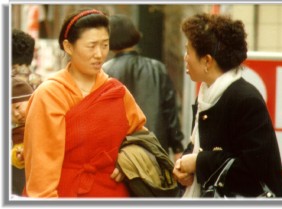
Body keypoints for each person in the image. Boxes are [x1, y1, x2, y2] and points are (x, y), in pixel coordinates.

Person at [23, 9, 147, 198]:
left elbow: (141, 138)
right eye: (91, 46)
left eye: (105, 45)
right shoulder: (50, 95)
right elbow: (41, 168)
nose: (99, 54)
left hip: (115, 194)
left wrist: (128, 160)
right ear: (68, 47)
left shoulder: (116, 91)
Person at [172, 13, 282, 198]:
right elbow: (198, 145)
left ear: (207, 61)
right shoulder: (207, 94)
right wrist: (183, 169)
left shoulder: (245, 99)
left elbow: (253, 171)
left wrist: (198, 163)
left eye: (189, 51)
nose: (185, 57)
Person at [103, 14, 184, 161]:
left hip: (120, 155)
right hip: (155, 150)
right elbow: (170, 112)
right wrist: (178, 147)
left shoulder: (104, 72)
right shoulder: (157, 69)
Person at [11, 77, 34, 196]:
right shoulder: (16, 133)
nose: (16, 114)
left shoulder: (43, 118)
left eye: (17, 107)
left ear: (31, 100)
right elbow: (16, 149)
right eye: (9, 113)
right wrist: (18, 155)